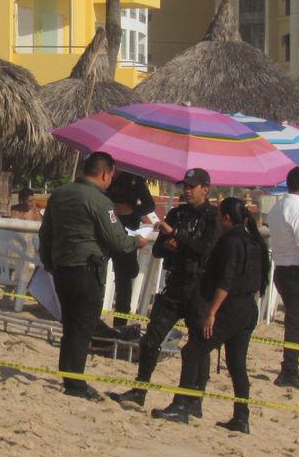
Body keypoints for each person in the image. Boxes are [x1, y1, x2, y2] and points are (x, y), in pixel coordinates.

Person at [37, 151, 152, 400]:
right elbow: (117, 240)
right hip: (87, 271)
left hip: (61, 268)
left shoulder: (59, 194)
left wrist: (48, 261)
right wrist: (137, 241)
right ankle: (75, 384)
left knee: (71, 325)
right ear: (104, 174)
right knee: (83, 327)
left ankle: (70, 377)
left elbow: (45, 233)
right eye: (111, 176)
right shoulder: (100, 201)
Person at [151, 197, 268, 433]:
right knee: (236, 364)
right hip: (248, 308)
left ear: (225, 218)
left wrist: (212, 312)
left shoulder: (231, 242)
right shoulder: (254, 242)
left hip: (230, 307)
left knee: (192, 350)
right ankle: (241, 417)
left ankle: (182, 405)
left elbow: (226, 280)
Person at [111, 168, 219, 409]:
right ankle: (140, 390)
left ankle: (193, 400)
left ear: (205, 189)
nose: (188, 191)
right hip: (175, 284)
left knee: (197, 346)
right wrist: (171, 244)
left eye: (193, 187)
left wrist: (177, 236)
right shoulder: (177, 213)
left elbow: (206, 249)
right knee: (150, 340)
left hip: (199, 288)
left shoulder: (213, 216)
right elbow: (158, 249)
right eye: (185, 186)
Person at [266, 166, 299, 390]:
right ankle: (290, 371)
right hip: (297, 272)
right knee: (298, 323)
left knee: (293, 321)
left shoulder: (277, 208)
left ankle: (289, 368)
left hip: (282, 269)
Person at [107, 168, 159, 332]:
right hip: (106, 230)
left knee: (124, 280)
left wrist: (132, 209)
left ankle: (120, 324)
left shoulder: (134, 179)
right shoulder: (104, 176)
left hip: (127, 233)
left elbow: (150, 205)